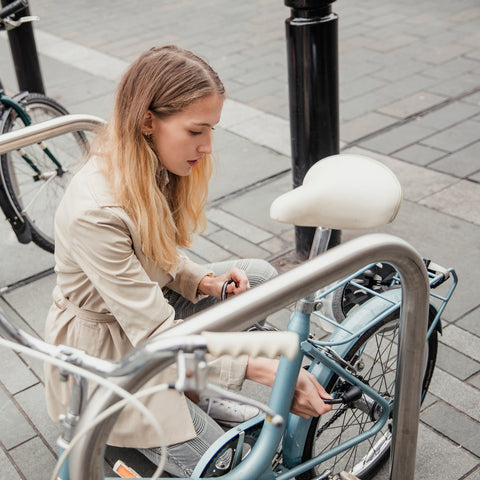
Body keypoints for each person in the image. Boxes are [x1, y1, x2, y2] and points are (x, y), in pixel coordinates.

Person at [44, 45, 332, 477]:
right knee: (225, 464)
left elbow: (157, 258)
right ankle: (195, 390)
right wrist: (261, 368)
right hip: (109, 349)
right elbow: (157, 336)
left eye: (212, 130)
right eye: (197, 131)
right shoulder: (97, 212)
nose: (208, 147)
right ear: (147, 121)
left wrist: (207, 283)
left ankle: (199, 386)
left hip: (143, 316)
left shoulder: (144, 161)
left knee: (260, 278)